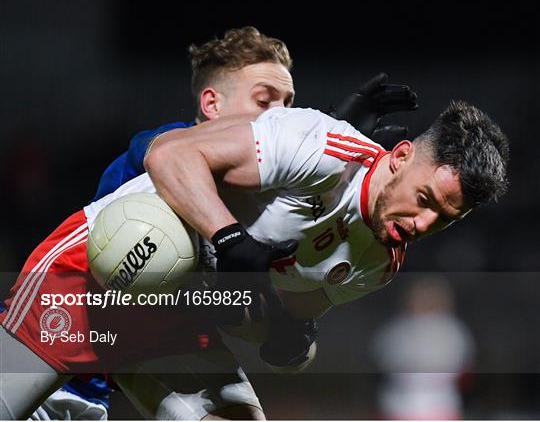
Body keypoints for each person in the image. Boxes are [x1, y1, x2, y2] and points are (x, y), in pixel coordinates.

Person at [0, 27, 418, 420]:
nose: (285, 116)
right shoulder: (163, 148)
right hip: (78, 336)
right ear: (212, 105)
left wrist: (288, 331)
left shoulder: (280, 202)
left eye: (290, 105)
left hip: (160, 337)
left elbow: (237, 311)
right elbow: (166, 156)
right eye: (265, 100)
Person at [0, 99, 508, 419]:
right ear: (399, 157)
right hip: (100, 272)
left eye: (443, 219)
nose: (422, 225)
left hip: (178, 316)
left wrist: (285, 337)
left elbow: (265, 314)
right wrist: (230, 239)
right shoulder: (321, 147)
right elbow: (168, 156)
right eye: (424, 199)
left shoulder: (381, 262)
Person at [371, 276, 476, 420]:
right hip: (400, 403)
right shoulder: (397, 329)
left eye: (432, 298)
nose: (427, 304)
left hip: (441, 404)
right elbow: (384, 358)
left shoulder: (453, 330)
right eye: (422, 298)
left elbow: (460, 363)